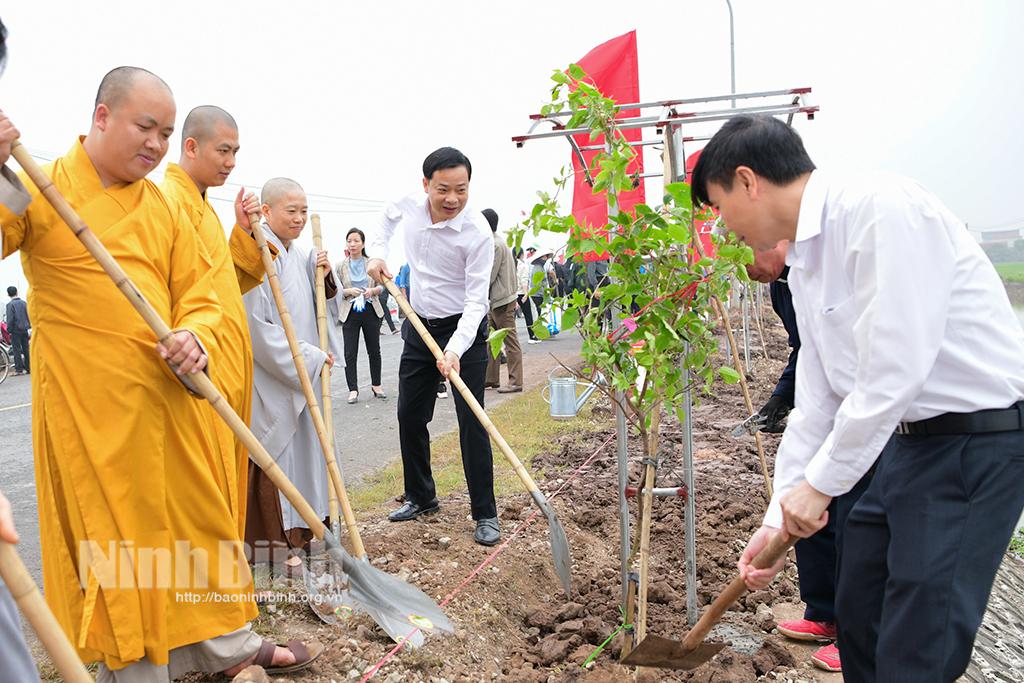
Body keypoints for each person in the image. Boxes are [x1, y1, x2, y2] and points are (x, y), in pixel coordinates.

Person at [1, 66, 321, 680]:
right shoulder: (41, 185)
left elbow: (203, 289)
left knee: (197, 521)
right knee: (119, 542)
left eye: (165, 132)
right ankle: (136, 666)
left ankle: (223, 641)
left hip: (167, 391)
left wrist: (196, 336)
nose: (155, 143)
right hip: (86, 403)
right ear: (101, 116)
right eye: (144, 126)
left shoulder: (163, 206)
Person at [693, 114, 1024, 682]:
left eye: (718, 208)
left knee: (918, 642)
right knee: (860, 610)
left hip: (975, 445)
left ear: (748, 181)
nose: (723, 229)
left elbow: (893, 371)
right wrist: (778, 516)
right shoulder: (805, 266)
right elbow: (817, 403)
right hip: (905, 445)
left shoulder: (880, 210)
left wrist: (820, 486)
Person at [366, 146, 500, 546]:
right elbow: (384, 222)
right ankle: (421, 496)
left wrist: (455, 349)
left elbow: (478, 301)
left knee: (471, 420)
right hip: (418, 324)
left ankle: (485, 513)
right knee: (409, 413)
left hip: (463, 329)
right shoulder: (408, 206)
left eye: (461, 189)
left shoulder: (477, 233)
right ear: (426, 185)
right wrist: (377, 255)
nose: (453, 199)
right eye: (443, 189)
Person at [160, 105, 270, 541]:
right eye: (223, 151)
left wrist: (241, 233)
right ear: (191, 146)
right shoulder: (168, 203)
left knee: (224, 484)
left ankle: (225, 596)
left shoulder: (204, 209)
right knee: (198, 496)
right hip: (194, 371)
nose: (231, 162)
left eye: (235, 152)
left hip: (226, 371)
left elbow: (222, 283)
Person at [747, 241, 843, 673]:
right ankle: (825, 613)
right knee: (808, 506)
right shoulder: (781, 284)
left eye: (742, 246)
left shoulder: (832, 266)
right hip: (826, 398)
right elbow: (805, 352)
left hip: (891, 414)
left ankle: (858, 630)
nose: (740, 264)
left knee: (858, 516)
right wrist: (774, 523)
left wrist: (824, 479)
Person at [243, 177, 341, 577]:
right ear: (266, 212)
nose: (300, 218)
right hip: (275, 375)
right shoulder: (257, 254)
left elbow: (322, 304)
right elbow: (255, 328)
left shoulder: (297, 253)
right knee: (275, 453)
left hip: (306, 370)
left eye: (304, 210)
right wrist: (306, 358)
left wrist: (324, 274)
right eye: (291, 211)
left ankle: (309, 531)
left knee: (310, 455)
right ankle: (276, 549)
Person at [335, 227, 386, 403]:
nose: (352, 244)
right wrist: (349, 290)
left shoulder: (372, 263)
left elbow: (383, 286)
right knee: (350, 351)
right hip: (349, 311)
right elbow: (336, 290)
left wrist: (372, 291)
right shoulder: (340, 266)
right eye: (349, 241)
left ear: (363, 243)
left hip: (371, 309)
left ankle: (377, 385)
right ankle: (353, 389)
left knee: (374, 350)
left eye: (356, 240)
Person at [482, 208, 523, 393]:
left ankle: (516, 382)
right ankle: (491, 379)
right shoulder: (498, 242)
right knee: (491, 340)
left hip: (502, 300)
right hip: (498, 299)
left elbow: (489, 275)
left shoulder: (495, 245)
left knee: (509, 341)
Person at [515, 247, 539, 344]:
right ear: (521, 254)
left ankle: (512, 339)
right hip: (521, 293)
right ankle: (532, 336)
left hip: (513, 294)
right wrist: (526, 293)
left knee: (511, 318)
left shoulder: (511, 265)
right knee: (528, 315)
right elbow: (524, 280)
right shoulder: (523, 266)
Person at [5, 285, 29, 374]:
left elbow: (10, 319)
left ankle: (19, 369)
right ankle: (29, 368)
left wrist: (9, 329)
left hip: (15, 330)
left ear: (8, 294)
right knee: (26, 349)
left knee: (16, 350)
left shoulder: (10, 305)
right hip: (25, 329)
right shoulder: (24, 303)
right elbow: (28, 316)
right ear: (17, 292)